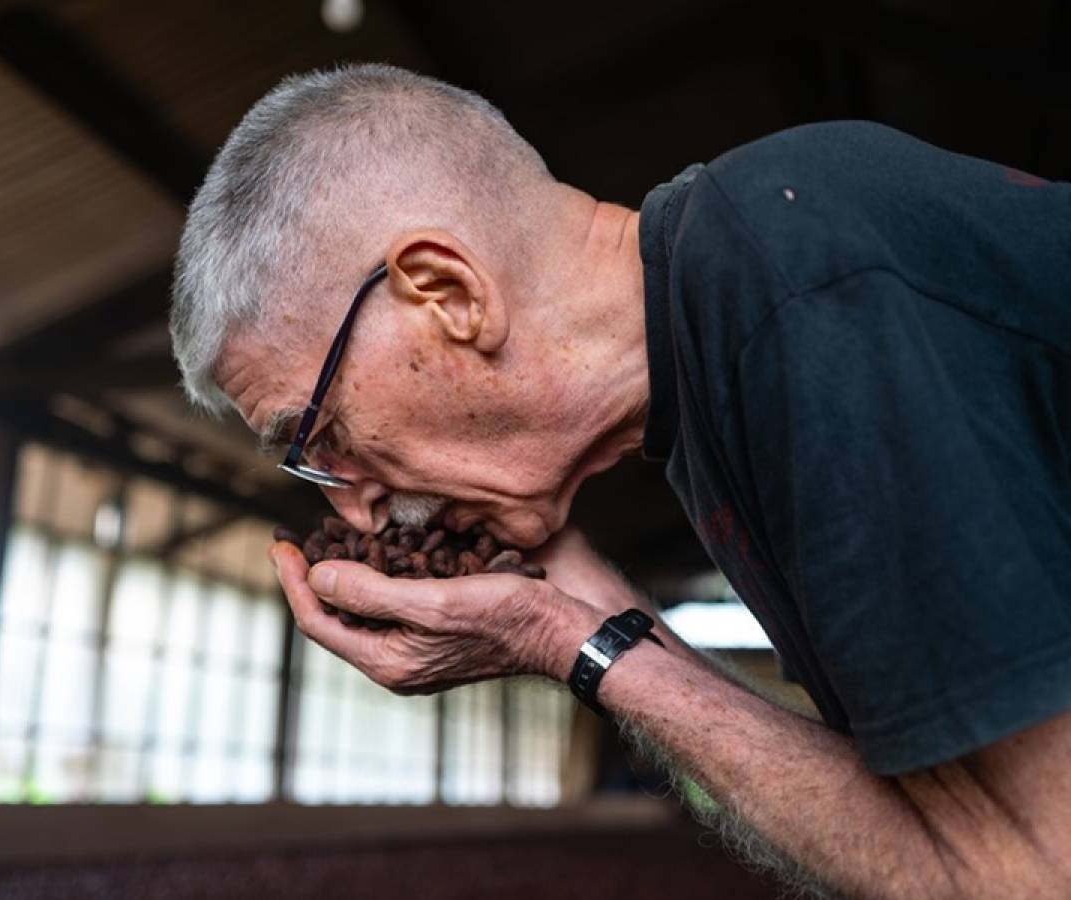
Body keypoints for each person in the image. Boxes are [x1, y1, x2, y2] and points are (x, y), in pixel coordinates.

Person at [170, 64, 1071, 897]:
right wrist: (578, 618)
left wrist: (567, 644)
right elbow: (953, 834)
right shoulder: (722, 357)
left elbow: (1026, 874)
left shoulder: (793, 286)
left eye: (316, 432)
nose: (354, 502)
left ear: (448, 292)